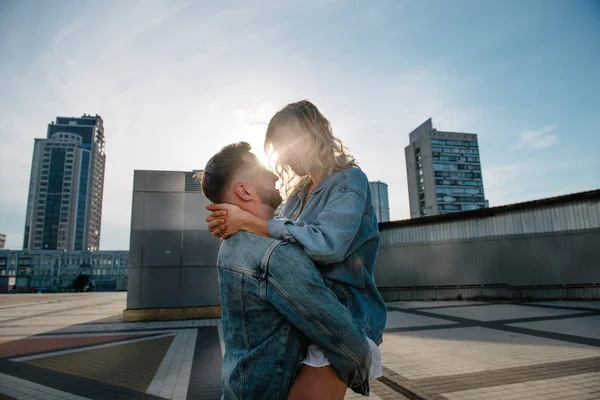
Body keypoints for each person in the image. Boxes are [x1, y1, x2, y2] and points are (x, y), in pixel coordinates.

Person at [205, 100, 387, 394]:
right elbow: (274, 244)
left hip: (346, 316)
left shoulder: (350, 180)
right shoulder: (298, 193)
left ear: (309, 136)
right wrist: (231, 219)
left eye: (285, 145)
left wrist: (248, 222)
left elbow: (327, 245)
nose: (282, 159)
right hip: (310, 318)